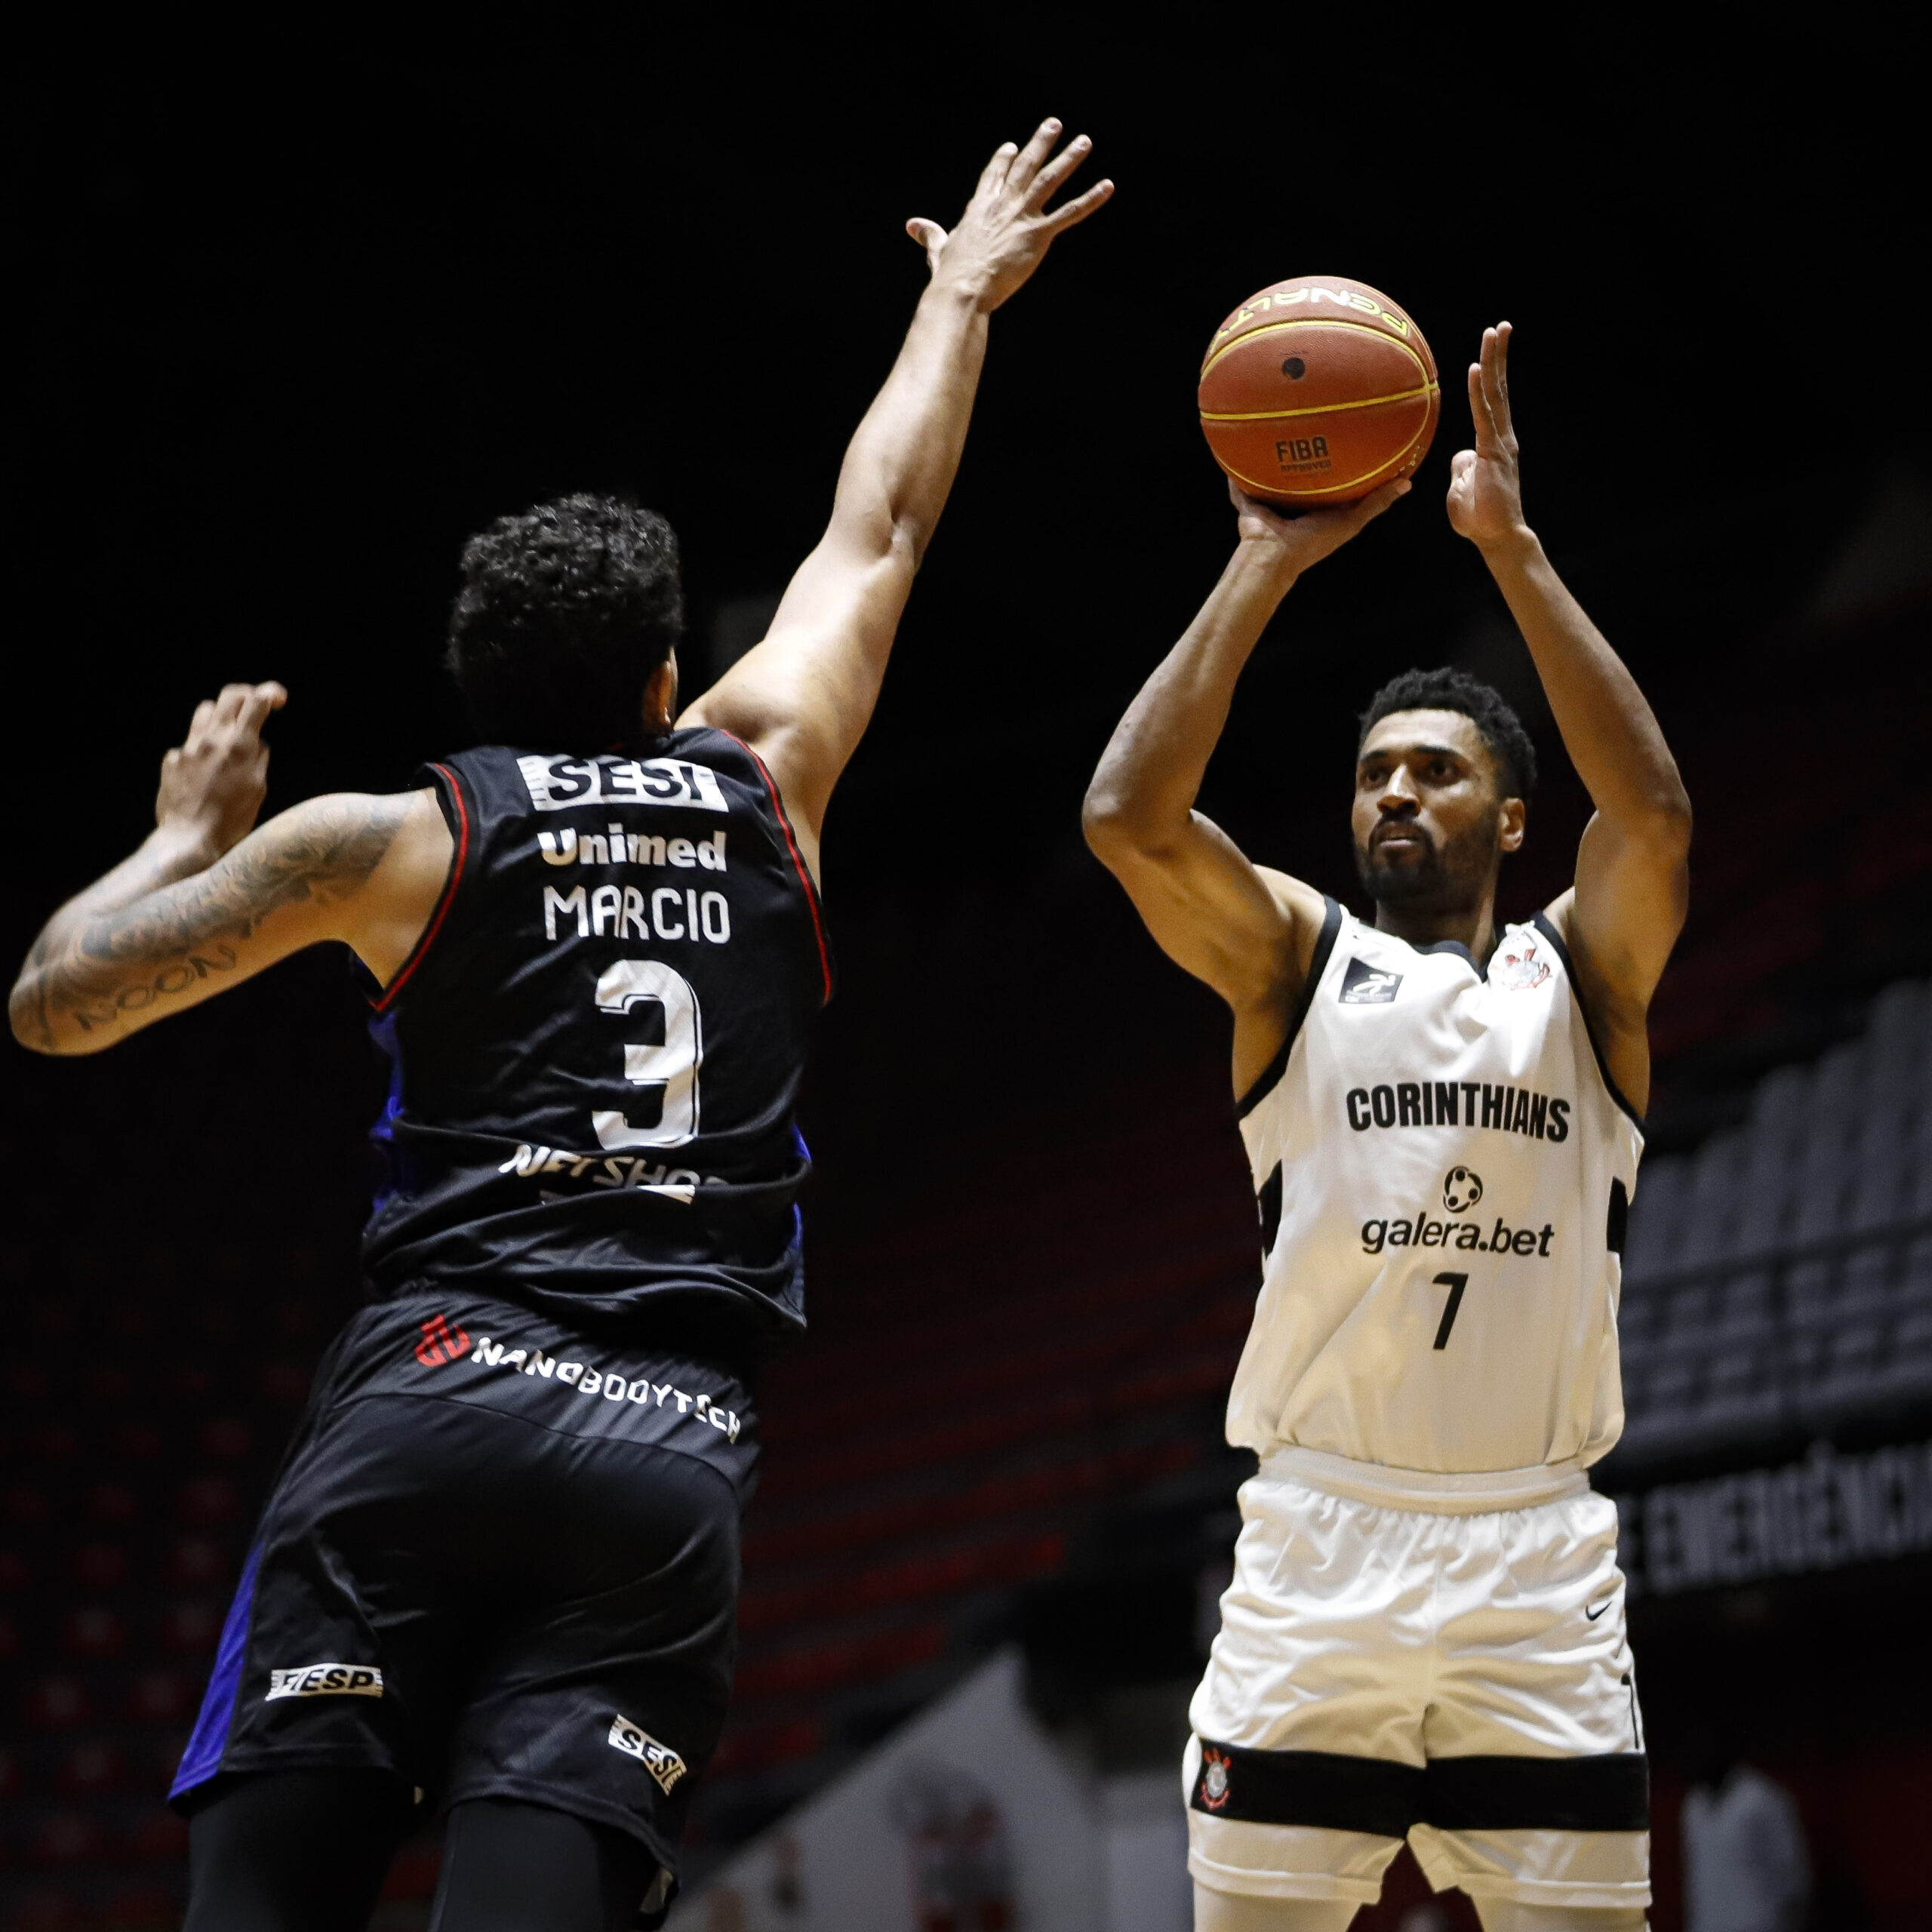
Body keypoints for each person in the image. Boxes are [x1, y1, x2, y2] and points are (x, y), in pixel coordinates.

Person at [9, 121, 1109, 1932]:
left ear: (473, 686)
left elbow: (58, 1005)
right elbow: (882, 521)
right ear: (671, 677)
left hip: (426, 1405)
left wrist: (183, 832)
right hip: (659, 1440)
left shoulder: (392, 835)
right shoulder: (767, 777)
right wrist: (957, 296)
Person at [1083, 323, 1690, 1931]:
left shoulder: (1585, 977)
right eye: (1368, 776)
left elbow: (1654, 818)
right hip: (1314, 1545)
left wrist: (1513, 552)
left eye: (1432, 770)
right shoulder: (1295, 959)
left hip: (1533, 1562)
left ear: (1506, 814)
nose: (1391, 796)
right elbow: (1125, 820)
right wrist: (1260, 566)